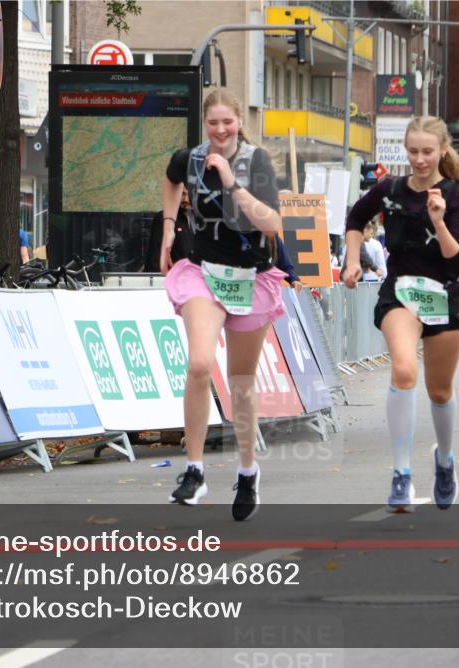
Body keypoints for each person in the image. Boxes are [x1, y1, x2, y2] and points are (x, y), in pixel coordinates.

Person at [160, 88, 284, 521]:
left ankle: (247, 471)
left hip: (250, 276)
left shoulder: (257, 162)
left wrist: (231, 181)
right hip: (203, 272)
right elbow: (171, 180)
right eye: (212, 122)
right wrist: (169, 229)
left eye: (227, 122)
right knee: (198, 364)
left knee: (242, 382)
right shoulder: (191, 159)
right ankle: (193, 471)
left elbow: (272, 223)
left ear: (238, 122)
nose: (219, 130)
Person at [343, 115, 459, 513]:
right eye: (413, 151)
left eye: (427, 152)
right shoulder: (390, 190)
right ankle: (401, 474)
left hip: (445, 296)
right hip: (401, 293)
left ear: (442, 151)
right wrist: (352, 261)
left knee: (439, 391)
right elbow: (354, 219)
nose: (419, 160)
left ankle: (445, 460)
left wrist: (438, 220)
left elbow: (458, 261)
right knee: (403, 370)